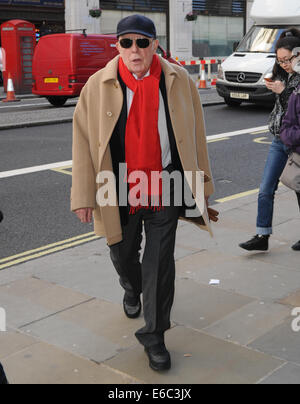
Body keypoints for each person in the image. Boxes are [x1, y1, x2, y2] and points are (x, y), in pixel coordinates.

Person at [71, 14, 218, 371]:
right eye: (126, 43)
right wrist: (83, 194)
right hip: (117, 183)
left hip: (164, 184)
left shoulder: (178, 79)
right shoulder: (98, 84)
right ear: (117, 46)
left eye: (142, 42)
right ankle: (130, 285)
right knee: (122, 253)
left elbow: (195, 134)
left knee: (159, 263)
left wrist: (204, 185)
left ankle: (155, 336)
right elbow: (83, 140)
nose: (134, 50)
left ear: (155, 45)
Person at [240, 28, 300, 252]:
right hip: (279, 140)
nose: (283, 64)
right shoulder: (282, 73)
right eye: (279, 60)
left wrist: (284, 91)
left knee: (299, 190)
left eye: (287, 59)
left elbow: (294, 109)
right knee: (266, 188)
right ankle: (262, 234)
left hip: (297, 144)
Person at [280, 49, 300, 251]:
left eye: (292, 58)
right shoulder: (296, 88)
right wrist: (287, 135)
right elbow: (288, 118)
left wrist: (290, 136)